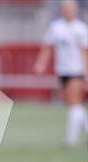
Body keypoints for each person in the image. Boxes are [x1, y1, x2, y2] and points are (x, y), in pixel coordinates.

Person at [34, 0, 88, 147]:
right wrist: (41, 63)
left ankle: (71, 139)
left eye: (70, 9)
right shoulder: (56, 27)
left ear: (76, 11)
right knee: (72, 104)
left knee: (74, 104)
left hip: (76, 70)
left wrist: (86, 74)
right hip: (62, 70)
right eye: (66, 8)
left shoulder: (81, 29)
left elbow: (85, 53)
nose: (68, 11)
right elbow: (47, 47)